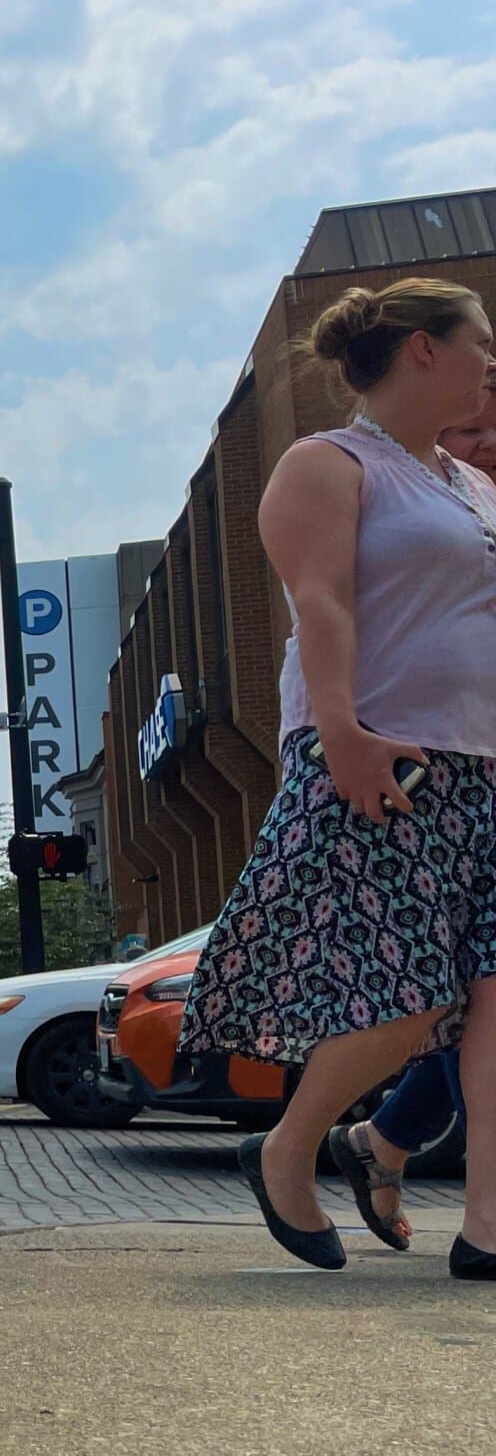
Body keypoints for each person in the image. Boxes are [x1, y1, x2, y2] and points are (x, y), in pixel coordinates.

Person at [178, 278, 496, 1278]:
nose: (492, 362)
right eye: (479, 342)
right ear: (420, 349)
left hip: (486, 763)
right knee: (413, 1000)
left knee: (493, 999)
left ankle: (488, 1223)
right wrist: (345, 733)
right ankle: (288, 1143)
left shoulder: (474, 485)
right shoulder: (326, 463)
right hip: (385, 758)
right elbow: (320, 605)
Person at [326, 378, 496, 1248]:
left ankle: (378, 1142)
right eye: (471, 433)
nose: (488, 443)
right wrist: (342, 733)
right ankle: (362, 1145)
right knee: (460, 993)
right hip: (433, 762)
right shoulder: (381, 488)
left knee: (481, 993)